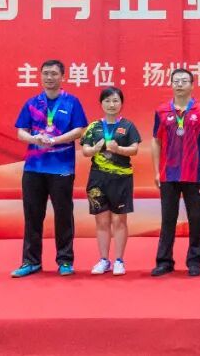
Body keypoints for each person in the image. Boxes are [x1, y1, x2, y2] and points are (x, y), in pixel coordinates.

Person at [11, 59, 89, 278]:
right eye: (45, 73)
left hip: (61, 168)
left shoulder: (72, 102)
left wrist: (56, 140)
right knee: (32, 216)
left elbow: (80, 130)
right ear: (40, 76)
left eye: (54, 73)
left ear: (62, 76)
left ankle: (65, 260)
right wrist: (34, 138)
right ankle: (31, 261)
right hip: (34, 168)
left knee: (63, 215)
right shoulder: (32, 102)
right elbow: (21, 132)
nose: (49, 77)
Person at [150, 68, 200, 277]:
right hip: (168, 174)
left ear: (192, 85)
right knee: (167, 220)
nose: (179, 84)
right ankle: (164, 261)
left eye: (184, 81)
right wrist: (156, 171)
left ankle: (195, 261)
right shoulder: (162, 111)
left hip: (194, 174)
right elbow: (155, 141)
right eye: (176, 81)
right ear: (171, 84)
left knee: (196, 220)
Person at [80, 87, 141, 276]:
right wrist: (95, 149)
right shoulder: (93, 127)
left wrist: (118, 149)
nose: (111, 105)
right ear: (101, 104)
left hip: (121, 179)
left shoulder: (128, 126)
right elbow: (85, 151)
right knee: (102, 220)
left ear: (121, 103)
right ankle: (104, 260)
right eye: (107, 101)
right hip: (98, 178)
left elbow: (134, 149)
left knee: (119, 220)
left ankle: (119, 260)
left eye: (115, 101)